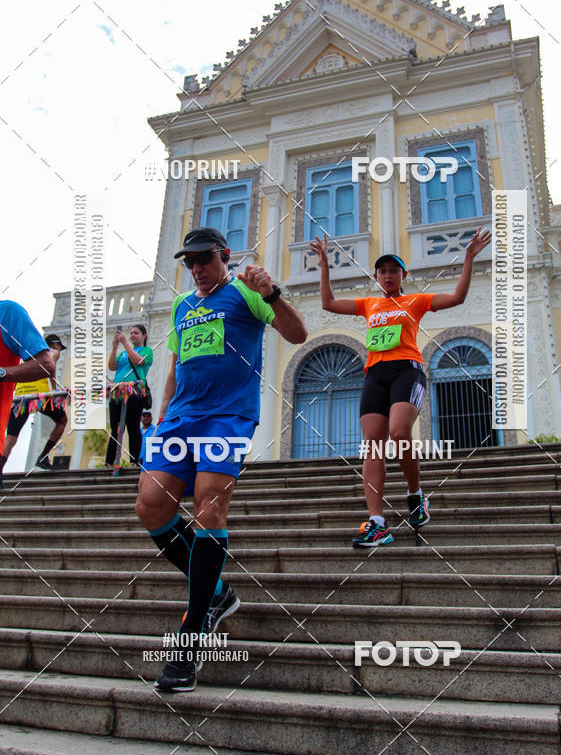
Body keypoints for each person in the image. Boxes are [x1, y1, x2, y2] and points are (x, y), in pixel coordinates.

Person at [135, 226, 307, 692]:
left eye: (204, 260)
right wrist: (159, 420)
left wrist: (271, 293)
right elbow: (175, 368)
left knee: (210, 502)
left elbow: (297, 333)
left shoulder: (246, 294)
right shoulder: (182, 305)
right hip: (179, 419)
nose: (196, 269)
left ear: (224, 257)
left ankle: (190, 644)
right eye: (189, 262)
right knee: (151, 505)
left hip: (228, 416)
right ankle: (217, 591)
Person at [310, 228, 491, 546]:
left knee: (398, 432)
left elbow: (458, 298)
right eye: (383, 271)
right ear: (377, 276)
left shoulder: (415, 301)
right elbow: (327, 303)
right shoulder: (369, 305)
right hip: (374, 375)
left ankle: (415, 494)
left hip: (407, 370)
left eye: (394, 270)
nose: (388, 275)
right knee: (372, 446)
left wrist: (468, 259)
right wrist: (325, 264)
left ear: (403, 274)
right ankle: (378, 522)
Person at [0, 301, 56, 487]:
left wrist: (2, 373)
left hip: (31, 399)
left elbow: (46, 365)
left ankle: (43, 456)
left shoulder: (7, 312)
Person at [5, 335, 68, 471]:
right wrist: (56, 390)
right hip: (39, 396)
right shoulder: (52, 352)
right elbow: (50, 367)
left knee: (11, 438)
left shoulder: (27, 354)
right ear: (55, 345)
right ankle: (43, 456)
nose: (59, 352)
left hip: (21, 396)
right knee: (62, 421)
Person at [105, 324, 153, 468]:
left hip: (134, 391)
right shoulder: (123, 353)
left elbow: (138, 361)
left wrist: (125, 343)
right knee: (115, 428)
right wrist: (114, 347)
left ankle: (134, 461)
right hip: (118, 391)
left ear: (144, 336)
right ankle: (109, 461)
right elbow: (112, 366)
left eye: (136, 333)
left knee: (133, 427)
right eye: (131, 333)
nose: (132, 335)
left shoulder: (147, 350)